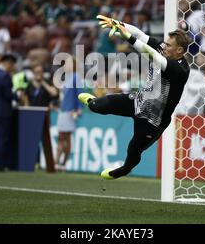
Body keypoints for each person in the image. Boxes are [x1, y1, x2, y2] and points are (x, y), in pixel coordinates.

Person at [78, 15, 191, 179]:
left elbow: (153, 56)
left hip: (153, 120)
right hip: (138, 101)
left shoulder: (180, 70)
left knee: (134, 150)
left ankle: (125, 169)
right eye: (165, 43)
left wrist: (127, 37)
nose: (164, 46)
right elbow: (139, 34)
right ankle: (93, 102)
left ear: (179, 50)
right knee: (98, 106)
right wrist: (118, 24)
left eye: (168, 45)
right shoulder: (165, 49)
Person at [55, 56, 83, 171]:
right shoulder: (67, 78)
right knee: (62, 137)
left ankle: (59, 162)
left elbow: (79, 93)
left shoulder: (76, 77)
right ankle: (60, 163)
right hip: (62, 110)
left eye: (68, 63)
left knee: (65, 137)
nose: (66, 65)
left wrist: (79, 108)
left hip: (69, 111)